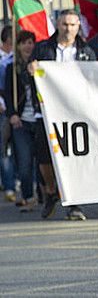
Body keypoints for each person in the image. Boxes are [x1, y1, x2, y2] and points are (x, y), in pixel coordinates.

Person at [31, 9, 97, 220]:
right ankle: (51, 191)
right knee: (44, 157)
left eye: (72, 25)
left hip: (75, 114)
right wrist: (30, 70)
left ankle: (74, 203)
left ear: (79, 26)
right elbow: (26, 75)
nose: (68, 29)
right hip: (47, 111)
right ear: (58, 25)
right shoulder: (42, 49)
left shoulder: (87, 51)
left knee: (75, 157)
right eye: (64, 24)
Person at [4, 30, 37, 211]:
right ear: (18, 46)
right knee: (24, 162)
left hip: (39, 120)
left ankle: (44, 194)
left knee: (41, 162)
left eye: (31, 42)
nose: (27, 46)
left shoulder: (41, 66)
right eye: (24, 42)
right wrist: (12, 114)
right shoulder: (12, 68)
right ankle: (28, 196)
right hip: (21, 121)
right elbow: (8, 94)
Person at [0, 26, 16, 203]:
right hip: (2, 108)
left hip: (14, 107)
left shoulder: (17, 58)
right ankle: (9, 186)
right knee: (4, 150)